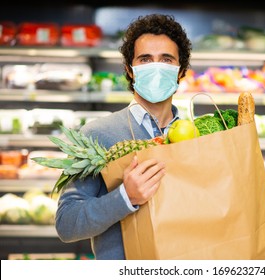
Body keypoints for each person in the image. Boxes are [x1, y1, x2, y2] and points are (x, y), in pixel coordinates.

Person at [55, 14, 192, 260]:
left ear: (181, 71)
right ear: (130, 70)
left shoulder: (199, 139)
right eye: (145, 59)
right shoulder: (96, 135)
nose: (156, 67)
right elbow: (67, 223)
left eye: (167, 59)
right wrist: (125, 197)